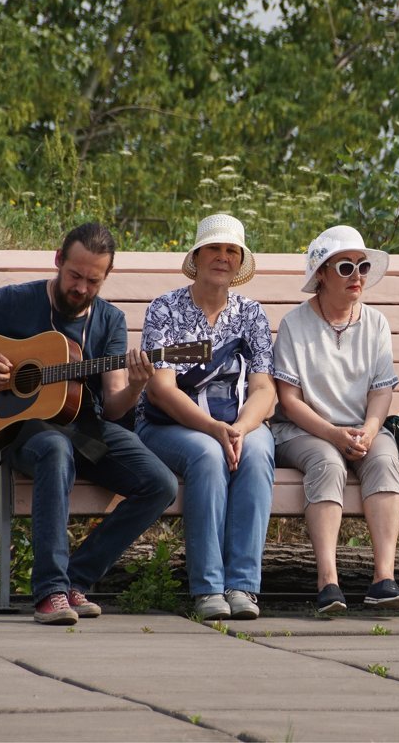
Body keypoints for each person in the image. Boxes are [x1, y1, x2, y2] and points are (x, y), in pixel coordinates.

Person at [0, 223, 177, 625]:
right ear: (58, 261)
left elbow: (111, 407)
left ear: (105, 277)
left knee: (160, 484)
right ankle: (50, 592)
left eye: (93, 281)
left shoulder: (109, 321)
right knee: (55, 449)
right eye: (75, 275)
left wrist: (137, 386)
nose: (81, 288)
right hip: (18, 428)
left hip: (85, 428)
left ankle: (76, 579)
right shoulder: (19, 301)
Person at [136, 214, 276, 621]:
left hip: (237, 422)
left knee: (256, 451)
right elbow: (160, 388)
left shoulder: (251, 314)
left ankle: (243, 586)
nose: (223, 257)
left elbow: (264, 389)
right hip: (169, 425)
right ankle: (208, 587)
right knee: (207, 455)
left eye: (232, 250)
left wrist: (239, 428)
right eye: (214, 248)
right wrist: (214, 429)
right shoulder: (165, 308)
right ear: (197, 256)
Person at [272, 225, 399, 613]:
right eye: (345, 267)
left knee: (384, 459)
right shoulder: (295, 325)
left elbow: (382, 391)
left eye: (362, 266)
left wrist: (368, 429)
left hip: (362, 426)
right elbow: (290, 400)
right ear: (321, 275)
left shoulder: (377, 323)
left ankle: (384, 578)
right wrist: (333, 433)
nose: (357, 276)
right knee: (328, 463)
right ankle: (327, 581)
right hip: (304, 430)